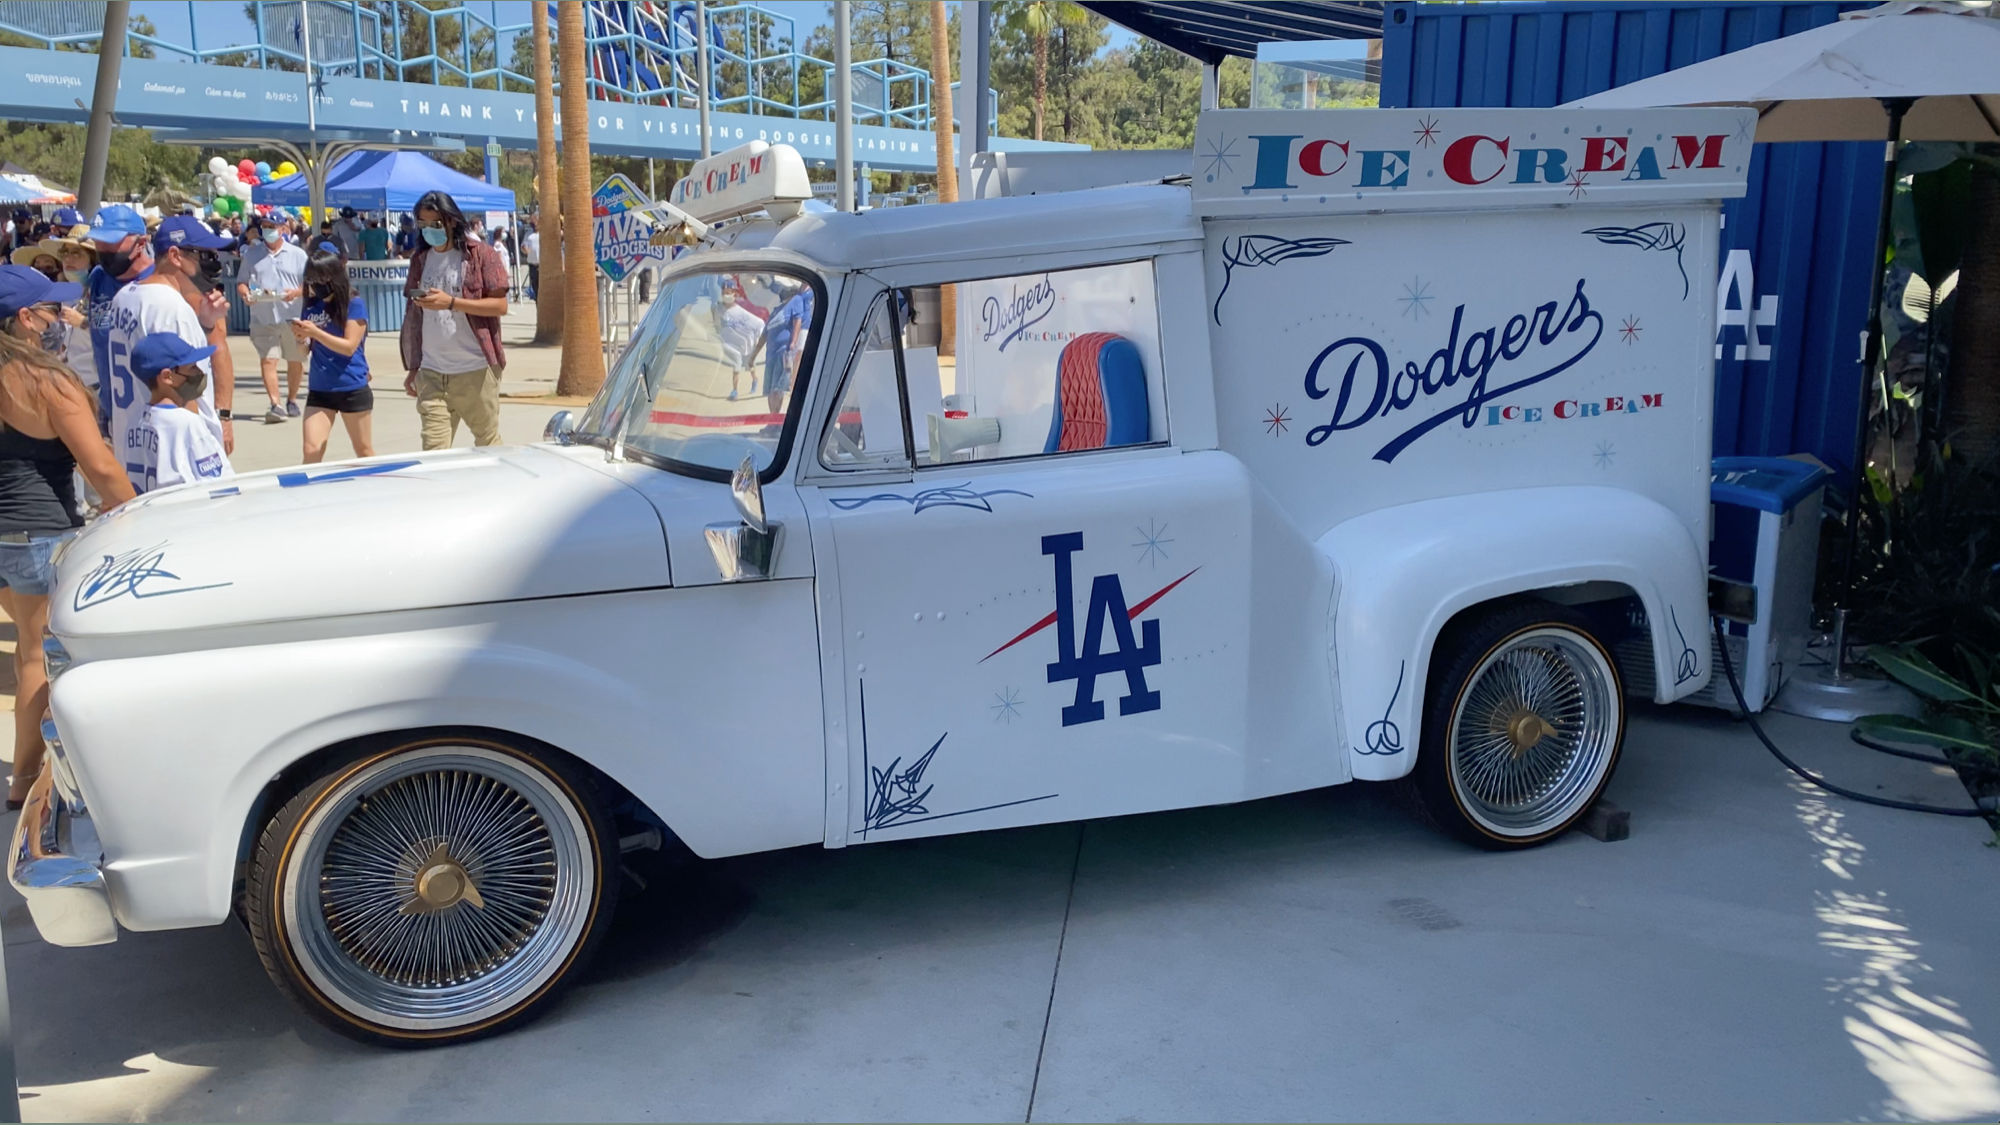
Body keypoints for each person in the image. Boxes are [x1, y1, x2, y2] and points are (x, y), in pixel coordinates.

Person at [0, 265, 135, 809]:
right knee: (41, 656)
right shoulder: (46, 381)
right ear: (26, 320)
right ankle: (26, 778)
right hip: (41, 530)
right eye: (53, 311)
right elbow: (100, 466)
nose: (62, 320)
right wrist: (135, 510)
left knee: (25, 651)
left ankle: (25, 770)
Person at [106, 216, 234, 492]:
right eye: (205, 254)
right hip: (176, 452)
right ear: (175, 255)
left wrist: (206, 324)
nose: (213, 262)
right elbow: (180, 385)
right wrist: (206, 441)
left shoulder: (125, 296)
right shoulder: (169, 308)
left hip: (137, 443)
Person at [400, 190, 509, 449]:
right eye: (422, 224)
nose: (429, 230)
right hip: (432, 372)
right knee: (434, 451)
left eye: (435, 224)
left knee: (488, 444)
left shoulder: (480, 255)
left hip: (475, 370)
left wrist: (451, 302)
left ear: (451, 221)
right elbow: (414, 319)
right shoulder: (421, 258)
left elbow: (500, 306)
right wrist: (414, 367)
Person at [289, 250, 375, 464]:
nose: (316, 285)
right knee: (311, 449)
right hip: (320, 387)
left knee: (363, 450)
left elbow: (349, 347)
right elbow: (304, 351)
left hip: (350, 386)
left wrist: (315, 332)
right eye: (311, 280)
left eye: (321, 279)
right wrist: (301, 338)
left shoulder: (353, 303)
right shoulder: (310, 304)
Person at [129, 332, 232, 491]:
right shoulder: (188, 423)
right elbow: (219, 484)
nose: (199, 372)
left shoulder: (134, 421)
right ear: (167, 376)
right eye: (192, 368)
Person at [83, 204, 154, 425]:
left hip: (150, 410)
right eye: (97, 242)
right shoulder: (98, 278)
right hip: (110, 408)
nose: (102, 249)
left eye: (110, 243)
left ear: (141, 243)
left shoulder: (158, 283)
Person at [237, 215, 308, 423]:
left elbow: (310, 284)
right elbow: (242, 282)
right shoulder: (252, 254)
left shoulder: (298, 254)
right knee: (268, 359)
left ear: (283, 228)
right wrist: (245, 294)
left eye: (271, 226)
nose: (267, 230)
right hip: (263, 315)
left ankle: (292, 399)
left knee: (295, 359)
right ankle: (275, 404)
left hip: (291, 315)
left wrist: (296, 292)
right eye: (264, 226)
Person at [759, 279, 813, 421]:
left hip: (804, 327)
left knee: (797, 357)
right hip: (794, 329)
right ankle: (790, 386)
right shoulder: (798, 291)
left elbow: (798, 319)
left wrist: (793, 341)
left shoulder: (812, 289)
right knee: (791, 363)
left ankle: (793, 386)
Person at [521, 221, 539, 299]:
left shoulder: (545, 233)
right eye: (533, 223)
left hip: (544, 266)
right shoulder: (528, 234)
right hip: (533, 266)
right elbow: (523, 246)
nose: (535, 224)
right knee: (536, 289)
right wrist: (526, 250)